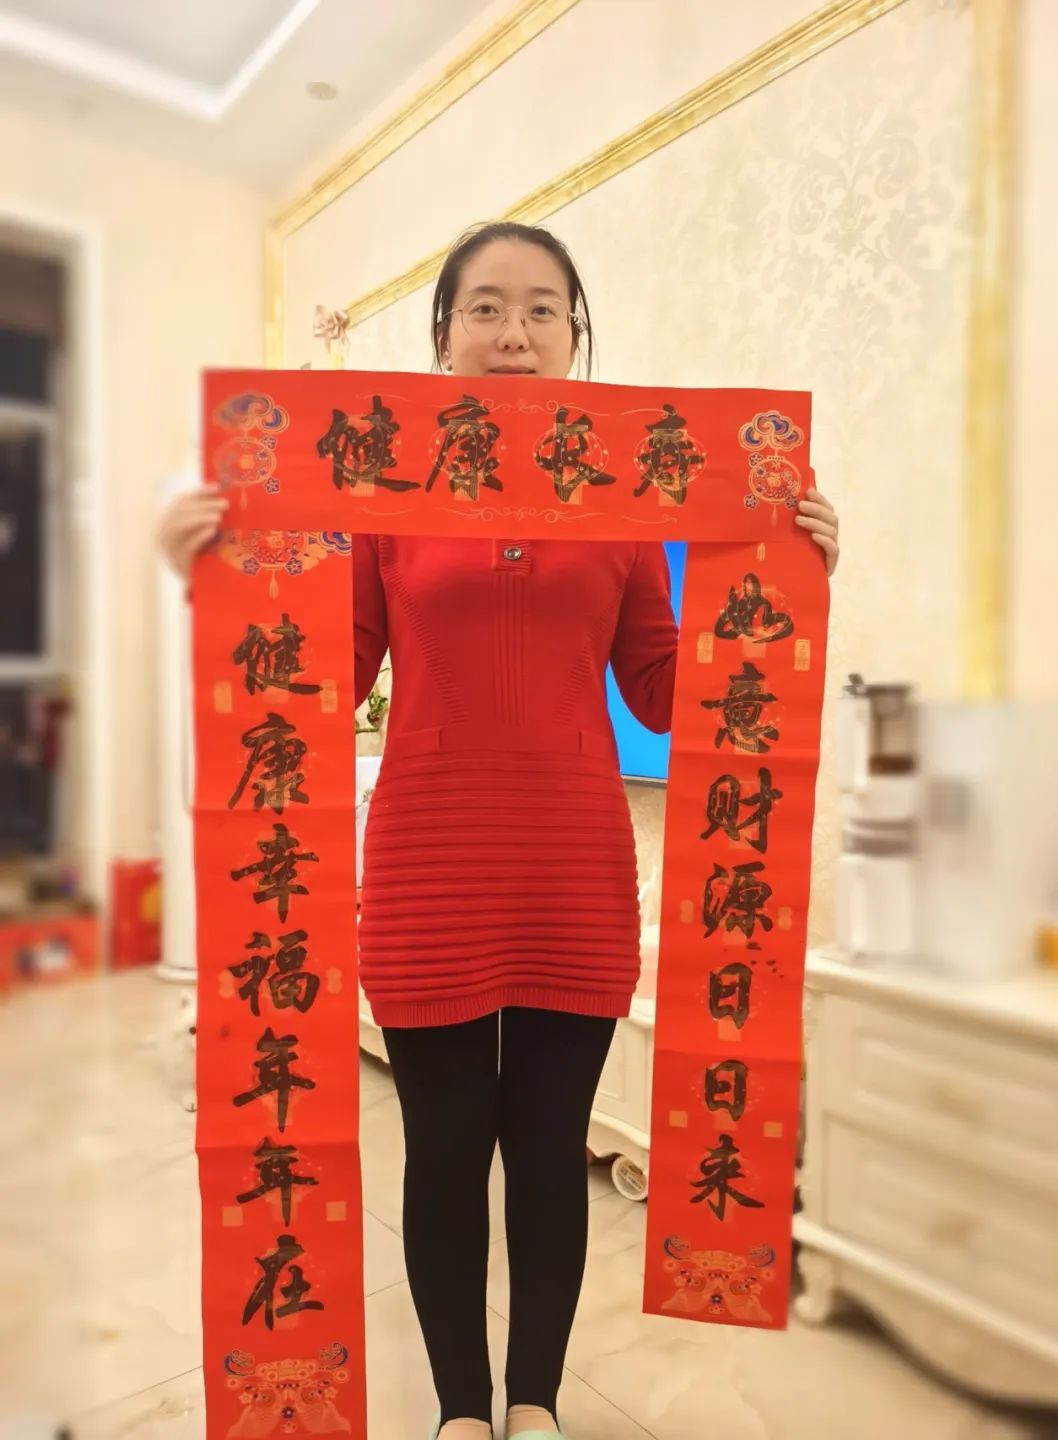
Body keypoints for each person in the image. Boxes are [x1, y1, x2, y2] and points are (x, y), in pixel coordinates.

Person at [159, 220, 840, 1440]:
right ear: (443, 336)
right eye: (485, 308)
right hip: (428, 861)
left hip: (575, 865)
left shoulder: (623, 505)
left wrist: (781, 590)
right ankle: (460, 1413)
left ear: (575, 336)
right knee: (443, 1150)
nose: (514, 332)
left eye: (542, 309)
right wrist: (213, 577)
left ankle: (535, 1405)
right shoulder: (380, 495)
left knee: (548, 1147)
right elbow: (322, 674)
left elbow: (661, 688)